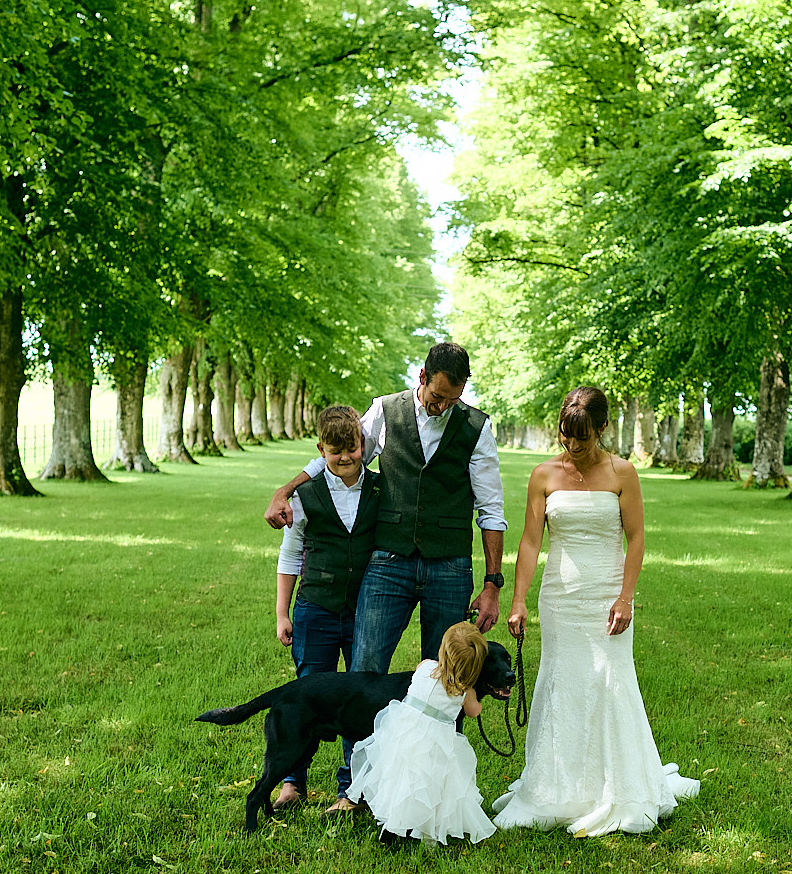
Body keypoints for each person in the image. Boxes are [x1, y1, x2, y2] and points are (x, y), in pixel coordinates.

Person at [263, 343, 508, 811]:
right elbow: (342, 452)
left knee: (449, 679)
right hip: (388, 562)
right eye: (436, 396)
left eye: (452, 399)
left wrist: (492, 583)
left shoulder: (477, 427)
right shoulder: (385, 411)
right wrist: (286, 489)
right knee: (364, 670)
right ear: (422, 377)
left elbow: (491, 508)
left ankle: (436, 788)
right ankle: (353, 790)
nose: (442, 406)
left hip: (450, 566)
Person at [495, 385, 699, 836]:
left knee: (610, 683)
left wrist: (626, 597)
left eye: (583, 437)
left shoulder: (623, 473)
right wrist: (519, 599)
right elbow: (530, 541)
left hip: (608, 598)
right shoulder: (543, 475)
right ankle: (558, 786)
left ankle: (617, 785)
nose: (573, 445)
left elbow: (636, 538)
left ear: (603, 428)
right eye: (565, 435)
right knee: (563, 683)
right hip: (560, 598)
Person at [271, 406, 379, 813]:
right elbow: (290, 555)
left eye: (352, 449)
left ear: (362, 445)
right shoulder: (304, 495)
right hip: (315, 608)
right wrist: (282, 613)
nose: (345, 457)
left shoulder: (380, 489)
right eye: (335, 452)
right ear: (321, 450)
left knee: (359, 699)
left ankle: (351, 789)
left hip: (363, 610)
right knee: (308, 696)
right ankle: (292, 783)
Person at [346, 621, 498, 846]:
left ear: (443, 650)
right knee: (433, 787)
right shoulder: (465, 691)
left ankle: (392, 825)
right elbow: (473, 712)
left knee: (400, 781)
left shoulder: (425, 666)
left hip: (403, 734)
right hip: (435, 747)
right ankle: (428, 834)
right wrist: (477, 702)